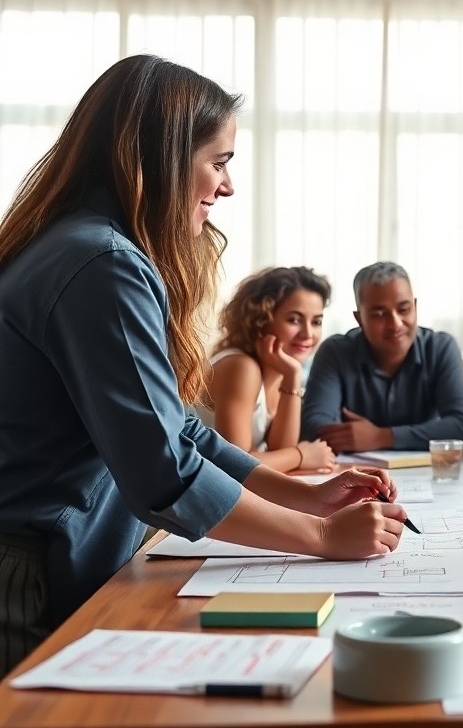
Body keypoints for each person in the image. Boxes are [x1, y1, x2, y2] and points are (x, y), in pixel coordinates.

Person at [0, 55, 406, 675]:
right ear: (160, 158)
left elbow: (179, 433)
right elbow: (163, 470)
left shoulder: (86, 245)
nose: (227, 186)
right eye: (218, 162)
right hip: (24, 577)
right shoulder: (102, 264)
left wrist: (306, 498)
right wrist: (321, 538)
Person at [302, 262, 463, 453]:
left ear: (415, 307)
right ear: (360, 319)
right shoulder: (335, 352)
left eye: (404, 310)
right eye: (379, 314)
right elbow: (315, 430)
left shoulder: (440, 348)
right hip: (354, 476)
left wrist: (380, 437)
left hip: (427, 476)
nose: (395, 324)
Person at [197, 267, 336, 473]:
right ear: (261, 319)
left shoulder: (281, 374)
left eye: (316, 322)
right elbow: (234, 465)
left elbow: (279, 454)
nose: (308, 333)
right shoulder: (241, 366)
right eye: (294, 320)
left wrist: (292, 376)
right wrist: (301, 454)